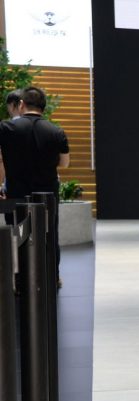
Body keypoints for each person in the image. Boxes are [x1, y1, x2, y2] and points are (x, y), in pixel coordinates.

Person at [0, 86, 70, 283]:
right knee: (49, 233)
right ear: (43, 107)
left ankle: (19, 278)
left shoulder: (6, 128)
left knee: (18, 233)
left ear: (21, 104)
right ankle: (52, 276)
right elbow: (65, 163)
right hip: (47, 194)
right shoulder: (56, 131)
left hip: (17, 193)